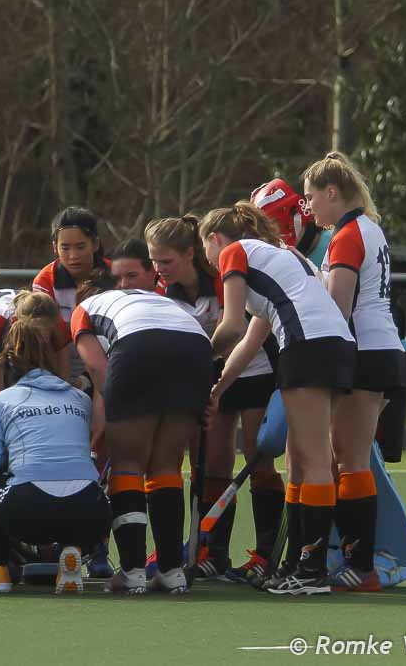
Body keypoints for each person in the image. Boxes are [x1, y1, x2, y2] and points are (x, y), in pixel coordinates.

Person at [199, 201, 355, 596]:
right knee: (300, 461)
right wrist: (218, 386)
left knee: (312, 459)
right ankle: (297, 564)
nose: (209, 261)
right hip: (335, 345)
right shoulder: (280, 257)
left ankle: (312, 571)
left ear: (215, 238)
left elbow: (231, 327)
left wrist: (196, 359)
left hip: (306, 347)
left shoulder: (235, 252)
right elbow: (250, 339)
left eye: (205, 249)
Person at [144, 215, 283, 582]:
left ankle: (266, 553)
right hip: (212, 377)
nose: (159, 269)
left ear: (190, 254)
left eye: (166, 261)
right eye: (154, 261)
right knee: (214, 465)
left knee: (258, 460)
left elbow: (235, 330)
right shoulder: (165, 291)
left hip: (255, 370)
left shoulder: (223, 278)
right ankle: (213, 551)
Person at [303, 152, 406, 592]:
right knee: (345, 457)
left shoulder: (347, 235)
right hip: (380, 349)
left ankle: (361, 564)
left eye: (311, 197)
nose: (308, 207)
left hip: (366, 352)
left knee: (349, 459)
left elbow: (338, 307)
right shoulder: (368, 227)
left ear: (332, 192)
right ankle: (351, 556)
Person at [0, 292, 112, 594]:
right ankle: (72, 552)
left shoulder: (3, 400)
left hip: (28, 513)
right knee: (82, 479)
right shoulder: (79, 398)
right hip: (92, 514)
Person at [72, 276, 213, 594]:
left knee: (128, 465)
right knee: (166, 466)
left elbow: (98, 368)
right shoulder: (153, 301)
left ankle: (132, 572)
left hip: (139, 349)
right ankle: (171, 571)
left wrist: (111, 417)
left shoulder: (82, 310)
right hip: (196, 348)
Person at [32, 207, 112, 382]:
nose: (73, 256)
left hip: (110, 362)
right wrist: (65, 385)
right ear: (55, 247)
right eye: (65, 248)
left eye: (81, 247)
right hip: (61, 363)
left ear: (95, 244)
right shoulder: (45, 281)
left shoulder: (115, 273)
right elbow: (53, 340)